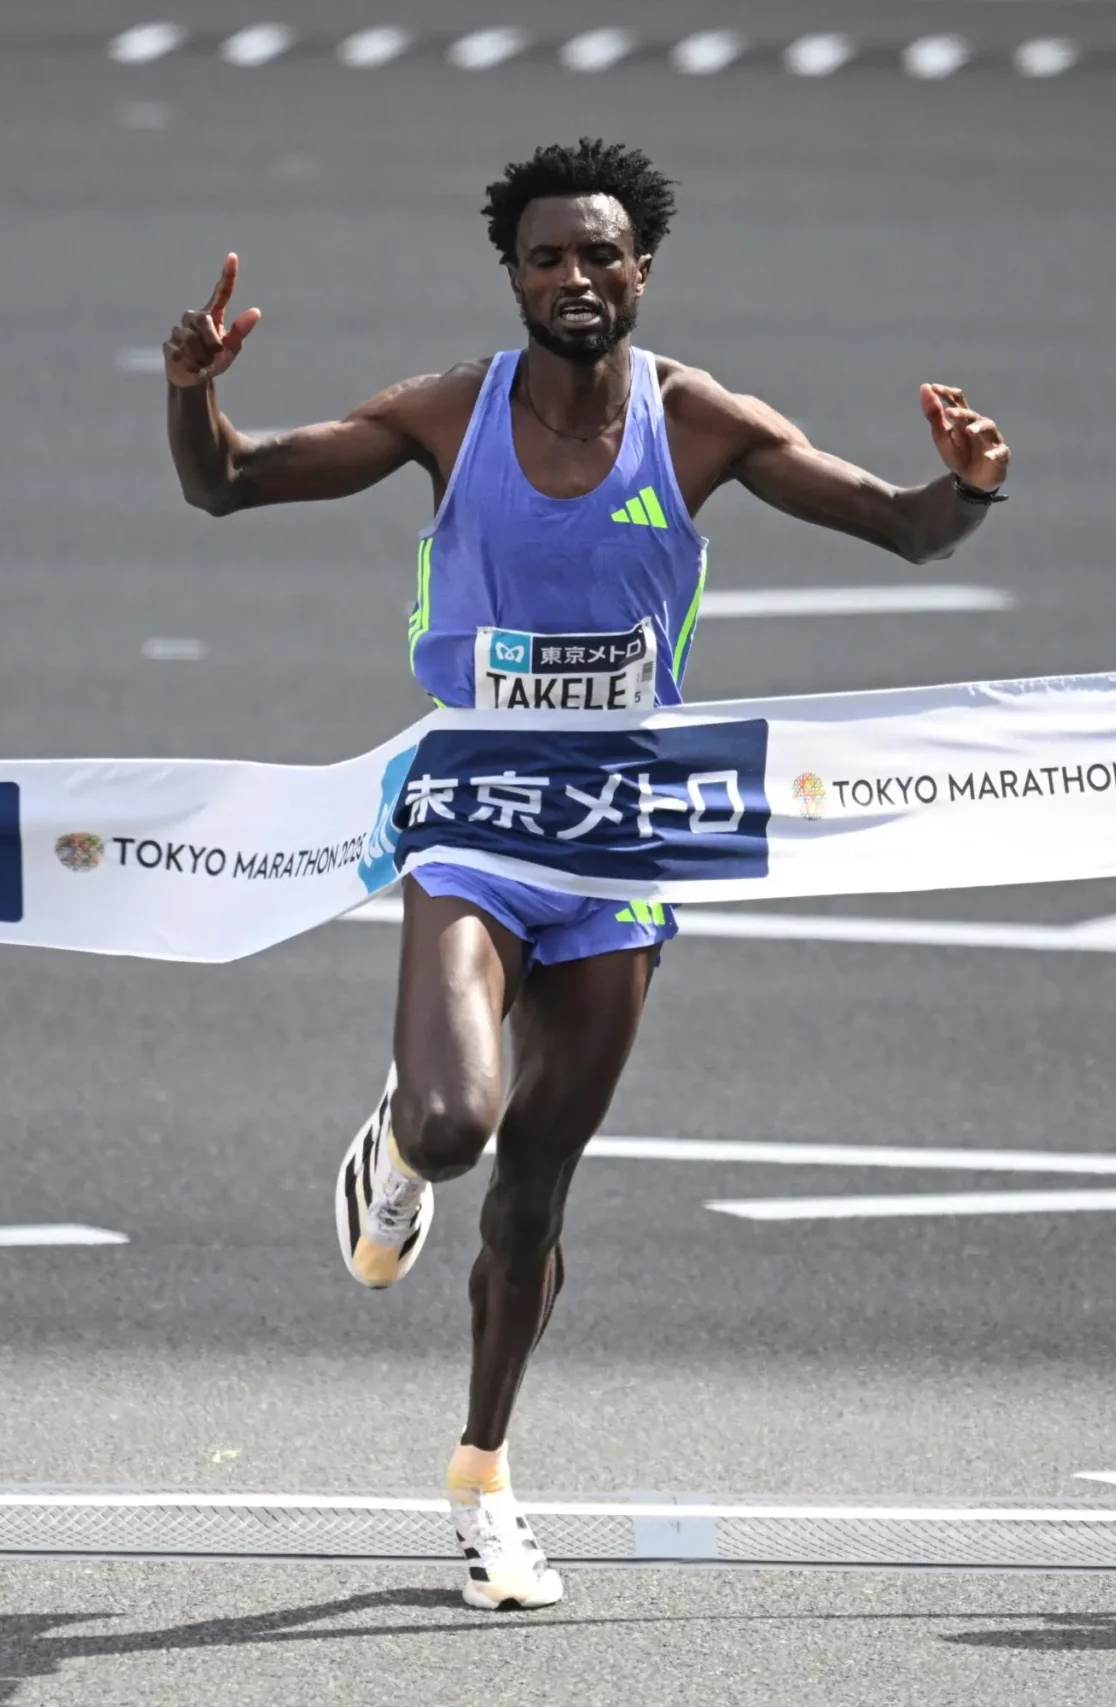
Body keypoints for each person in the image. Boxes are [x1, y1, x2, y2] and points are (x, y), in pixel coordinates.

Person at [163, 138, 1009, 1610]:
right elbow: (228, 488)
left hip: (623, 844)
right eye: (548, 257)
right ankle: (392, 1145)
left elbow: (898, 524)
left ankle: (484, 1477)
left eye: (601, 255)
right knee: (450, 1126)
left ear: (641, 272)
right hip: (477, 821)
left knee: (533, 1195)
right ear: (513, 276)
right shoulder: (447, 413)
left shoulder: (698, 426)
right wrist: (194, 394)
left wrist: (967, 488)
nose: (576, 278)